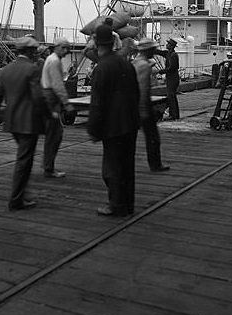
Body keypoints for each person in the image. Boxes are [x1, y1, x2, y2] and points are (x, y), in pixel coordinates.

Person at [0, 36, 46, 210]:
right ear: (28, 51)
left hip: (12, 121)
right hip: (29, 122)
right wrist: (48, 116)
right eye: (34, 50)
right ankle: (16, 199)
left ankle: (23, 192)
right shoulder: (32, 70)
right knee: (24, 160)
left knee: (23, 157)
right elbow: (37, 97)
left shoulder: (5, 71)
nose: (36, 53)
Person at [87, 24, 140, 216]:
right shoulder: (126, 64)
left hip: (113, 126)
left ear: (96, 44)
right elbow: (136, 94)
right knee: (127, 166)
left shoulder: (102, 68)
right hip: (130, 124)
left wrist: (93, 129)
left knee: (112, 168)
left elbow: (97, 103)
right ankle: (128, 204)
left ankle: (116, 205)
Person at [133, 38, 170, 172]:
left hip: (134, 103)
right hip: (143, 104)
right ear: (147, 50)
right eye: (152, 49)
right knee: (153, 137)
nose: (154, 51)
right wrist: (144, 109)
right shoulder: (144, 66)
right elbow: (142, 88)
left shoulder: (136, 62)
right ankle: (155, 164)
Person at [40, 37, 75, 178]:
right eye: (65, 48)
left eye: (68, 48)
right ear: (58, 47)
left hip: (48, 97)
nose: (67, 51)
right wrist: (66, 103)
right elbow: (57, 85)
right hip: (51, 98)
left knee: (53, 134)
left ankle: (47, 164)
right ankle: (48, 167)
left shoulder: (51, 59)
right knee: (55, 134)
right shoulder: (54, 61)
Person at [158, 37, 180, 120]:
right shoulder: (168, 54)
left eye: (168, 44)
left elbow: (172, 68)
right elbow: (160, 52)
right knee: (172, 96)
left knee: (171, 96)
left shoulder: (173, 55)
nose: (166, 45)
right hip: (170, 78)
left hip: (173, 79)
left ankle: (173, 115)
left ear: (171, 46)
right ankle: (174, 115)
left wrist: (161, 71)